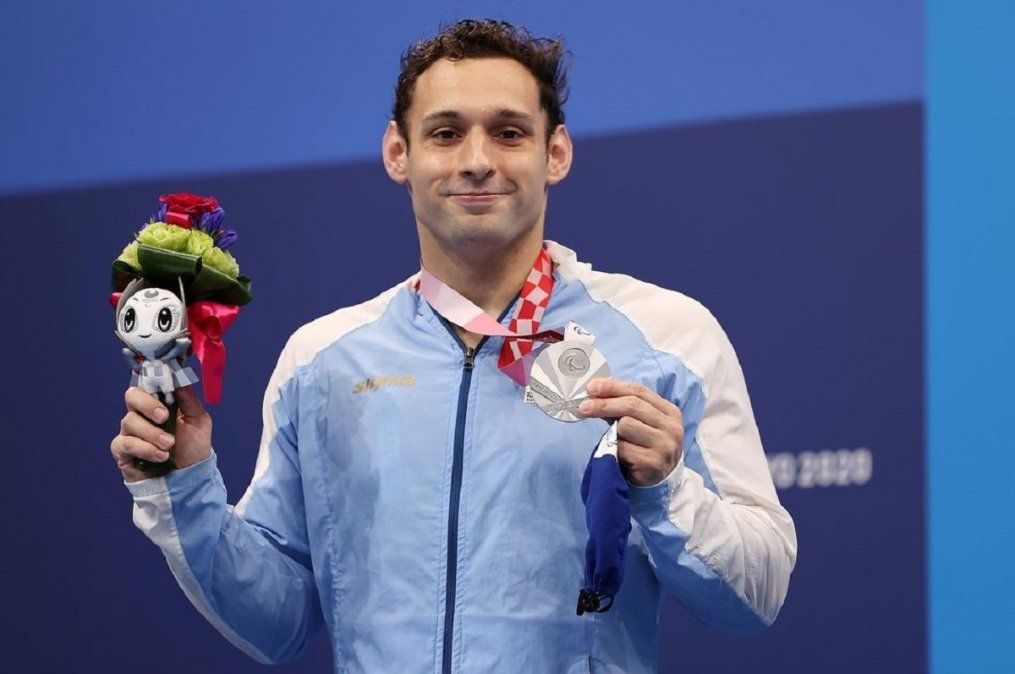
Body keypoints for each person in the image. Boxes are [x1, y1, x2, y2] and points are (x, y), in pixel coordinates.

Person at [110, 19, 797, 674]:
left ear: (553, 152)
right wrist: (185, 487)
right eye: (444, 134)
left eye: (507, 132)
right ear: (396, 153)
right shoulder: (322, 361)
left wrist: (668, 491)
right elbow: (279, 622)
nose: (475, 161)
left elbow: (755, 594)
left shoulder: (667, 336)